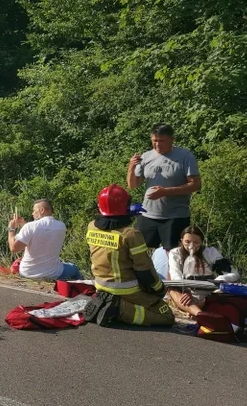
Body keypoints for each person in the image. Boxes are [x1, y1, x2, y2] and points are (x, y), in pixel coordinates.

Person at [84, 184, 174, 327]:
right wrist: (159, 289)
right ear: (124, 206)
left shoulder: (91, 226)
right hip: (126, 288)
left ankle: (109, 302)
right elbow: (144, 271)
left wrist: (125, 213)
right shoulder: (131, 234)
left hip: (100, 284)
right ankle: (119, 309)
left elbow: (110, 224)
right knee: (166, 315)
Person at [127, 124, 201, 252]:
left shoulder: (185, 156)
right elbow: (133, 185)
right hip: (148, 213)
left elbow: (195, 184)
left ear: (172, 140)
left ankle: (172, 273)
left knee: (174, 254)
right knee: (138, 251)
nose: (157, 144)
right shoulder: (146, 156)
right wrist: (131, 167)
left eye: (162, 141)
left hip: (175, 216)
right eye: (154, 140)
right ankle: (150, 272)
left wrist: (166, 192)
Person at [166, 225, 238, 317]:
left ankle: (194, 310)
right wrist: (185, 289)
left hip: (208, 293)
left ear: (201, 242)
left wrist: (219, 281)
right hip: (185, 293)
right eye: (187, 242)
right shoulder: (175, 253)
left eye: (196, 242)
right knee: (172, 289)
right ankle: (200, 314)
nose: (191, 246)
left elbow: (233, 273)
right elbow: (175, 274)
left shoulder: (210, 252)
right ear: (181, 241)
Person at [7, 199, 81, 281]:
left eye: (34, 210)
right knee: (73, 268)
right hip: (54, 273)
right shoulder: (61, 226)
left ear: (41, 210)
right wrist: (24, 225)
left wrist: (11, 229)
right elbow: (42, 233)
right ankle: (84, 288)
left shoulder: (30, 227)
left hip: (28, 273)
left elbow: (14, 248)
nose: (32, 213)